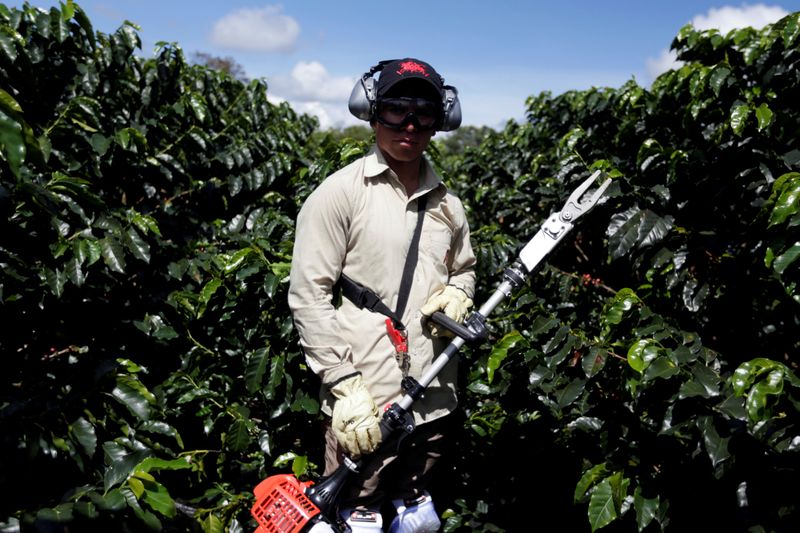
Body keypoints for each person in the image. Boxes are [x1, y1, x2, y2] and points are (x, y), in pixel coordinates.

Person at [288, 58, 476, 532]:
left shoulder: (448, 204)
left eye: (424, 113)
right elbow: (309, 295)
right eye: (396, 109)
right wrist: (345, 385)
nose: (409, 125)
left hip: (435, 394)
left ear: (441, 120)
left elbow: (466, 270)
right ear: (372, 113)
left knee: (418, 519)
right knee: (357, 518)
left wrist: (458, 292)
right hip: (367, 403)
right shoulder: (339, 195)